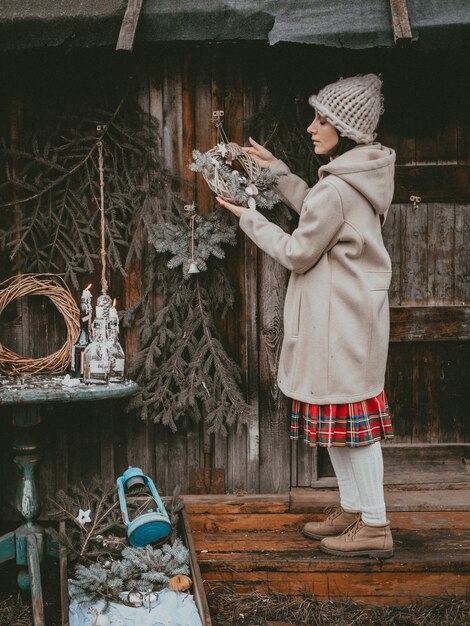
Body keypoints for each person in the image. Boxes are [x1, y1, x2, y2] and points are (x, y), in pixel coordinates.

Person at [216, 74, 395, 559]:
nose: (313, 127)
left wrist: (248, 218)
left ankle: (375, 525)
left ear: (346, 128)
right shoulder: (351, 177)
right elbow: (317, 207)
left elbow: (298, 252)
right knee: (342, 414)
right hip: (348, 318)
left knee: (354, 421)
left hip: (342, 323)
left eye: (323, 120)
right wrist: (280, 172)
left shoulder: (339, 187)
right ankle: (354, 507)